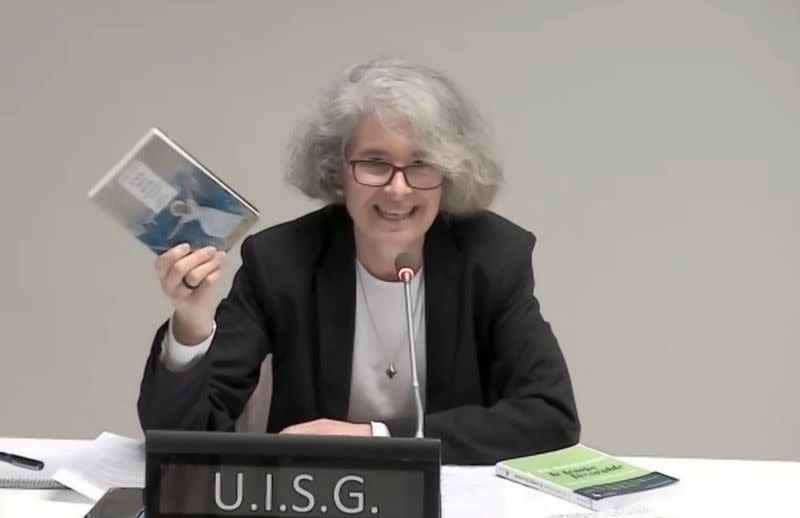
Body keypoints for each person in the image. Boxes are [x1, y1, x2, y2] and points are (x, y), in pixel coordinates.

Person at [137, 57, 580, 465]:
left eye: (421, 165)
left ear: (450, 174)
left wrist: (374, 436)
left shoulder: (492, 257)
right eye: (375, 163)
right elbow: (180, 438)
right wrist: (192, 324)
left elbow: (551, 417)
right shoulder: (281, 263)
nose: (398, 190)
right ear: (337, 170)